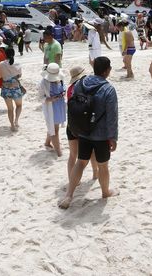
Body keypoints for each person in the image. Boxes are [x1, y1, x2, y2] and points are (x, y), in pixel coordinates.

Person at [59, 56, 119, 209]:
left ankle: (68, 195)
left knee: (81, 162)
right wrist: (113, 137)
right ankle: (105, 192)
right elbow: (112, 116)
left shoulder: (80, 83)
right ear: (107, 71)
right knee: (103, 166)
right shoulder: (109, 89)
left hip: (83, 131)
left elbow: (74, 105)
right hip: (101, 135)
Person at [63, 66, 99, 184]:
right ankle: (95, 173)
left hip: (72, 125)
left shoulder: (69, 90)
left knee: (73, 155)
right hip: (85, 124)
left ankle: (72, 179)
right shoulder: (86, 88)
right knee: (92, 151)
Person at [40, 63, 66, 157]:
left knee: (54, 127)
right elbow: (40, 97)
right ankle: (58, 152)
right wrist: (50, 99)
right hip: (51, 107)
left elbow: (63, 89)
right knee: (55, 129)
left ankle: (47, 143)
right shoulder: (43, 82)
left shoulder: (61, 79)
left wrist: (62, 94)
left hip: (59, 106)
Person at [0, 47, 24, 131]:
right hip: (15, 86)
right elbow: (20, 75)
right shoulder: (17, 63)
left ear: (5, 54)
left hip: (5, 87)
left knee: (10, 109)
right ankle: (16, 121)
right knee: (19, 105)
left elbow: (0, 76)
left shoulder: (1, 64)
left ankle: (12, 125)